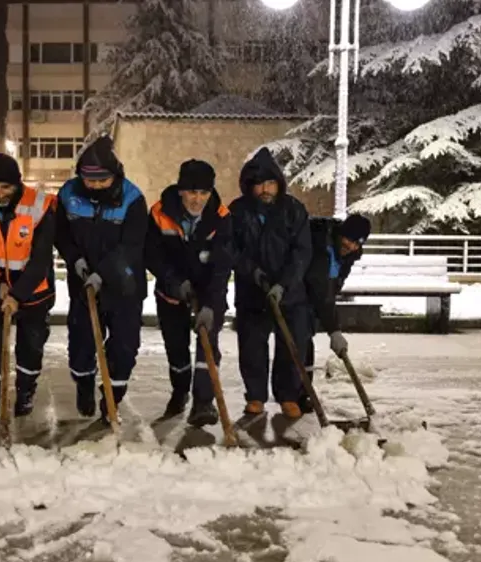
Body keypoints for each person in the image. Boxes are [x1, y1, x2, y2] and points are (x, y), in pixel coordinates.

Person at [55, 136, 148, 423]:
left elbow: (132, 246)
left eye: (102, 180)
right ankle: (84, 383)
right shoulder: (69, 194)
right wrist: (76, 260)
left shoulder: (132, 199)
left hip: (124, 285)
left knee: (123, 347)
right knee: (81, 345)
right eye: (89, 179)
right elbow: (61, 234)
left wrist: (102, 273)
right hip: (82, 286)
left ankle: (111, 400)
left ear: (115, 176)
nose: (94, 185)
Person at [0, 154, 57, 428]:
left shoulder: (39, 206)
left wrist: (17, 295)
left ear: (16, 184)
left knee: (31, 345)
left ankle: (25, 392)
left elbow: (41, 259)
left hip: (33, 290)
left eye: (6, 187)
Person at [145, 159, 233, 428]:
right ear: (181, 190)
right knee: (177, 348)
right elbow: (152, 254)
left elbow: (222, 265)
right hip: (171, 293)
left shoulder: (221, 216)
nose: (198, 199)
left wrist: (210, 304)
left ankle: (203, 402)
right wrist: (174, 283)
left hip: (208, 292)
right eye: (193, 192)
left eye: (204, 193)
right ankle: (180, 391)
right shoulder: (160, 212)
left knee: (208, 346)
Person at [230, 147, 313, 419]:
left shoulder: (293, 210)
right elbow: (230, 249)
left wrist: (284, 284)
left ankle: (288, 395)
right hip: (252, 294)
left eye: (270, 183)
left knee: (292, 345)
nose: (265, 189)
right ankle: (255, 395)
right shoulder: (238, 212)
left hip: (290, 294)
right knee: (252, 346)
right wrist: (252, 273)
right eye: (259, 184)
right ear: (249, 186)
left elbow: (302, 251)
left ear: (278, 184)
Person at [300, 214, 371, 411]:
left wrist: (330, 322)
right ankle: (296, 395)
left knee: (305, 339)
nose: (351, 246)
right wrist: (334, 329)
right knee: (300, 339)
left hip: (316, 296)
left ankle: (302, 393)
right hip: (297, 292)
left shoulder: (349, 254)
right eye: (349, 240)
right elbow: (320, 286)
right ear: (341, 234)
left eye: (357, 244)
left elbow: (332, 286)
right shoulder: (321, 244)